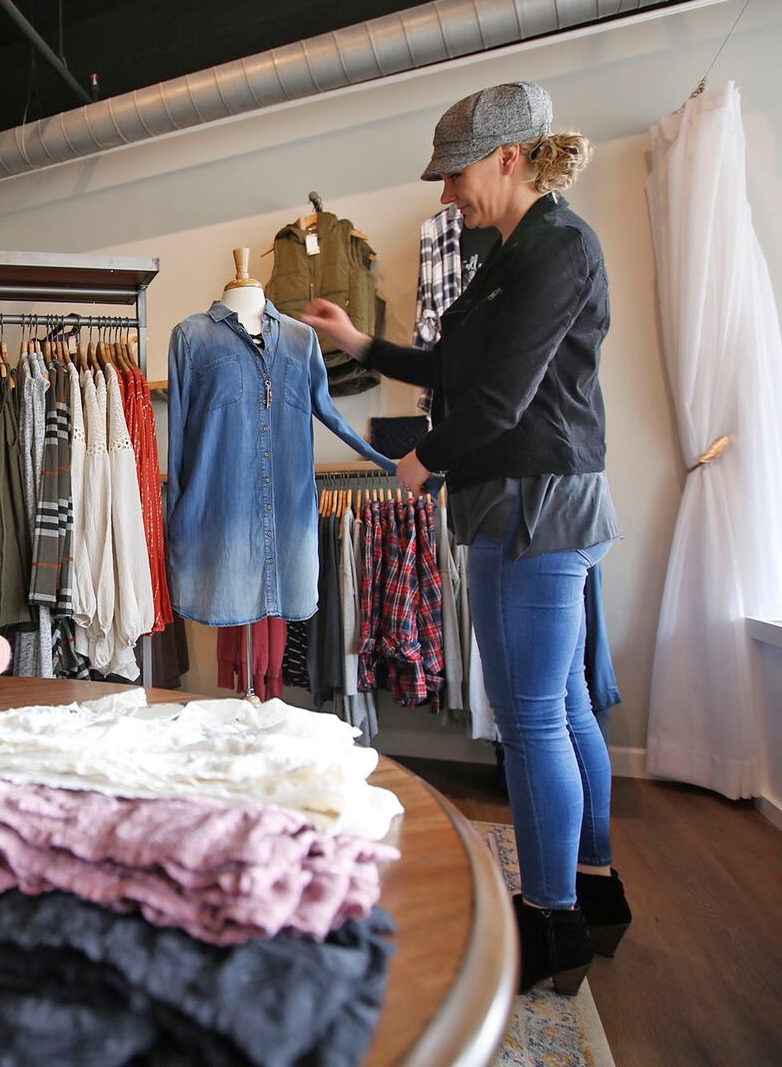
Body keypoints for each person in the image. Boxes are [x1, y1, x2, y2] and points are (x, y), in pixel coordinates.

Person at [301, 81, 629, 996]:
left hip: (531, 499)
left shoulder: (556, 249)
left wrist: (424, 459)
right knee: (559, 705)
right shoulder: (514, 249)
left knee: (532, 717)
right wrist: (361, 342)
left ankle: (551, 919)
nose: (449, 195)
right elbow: (454, 365)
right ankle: (593, 895)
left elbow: (498, 399)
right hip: (530, 493)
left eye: (455, 176)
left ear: (508, 158)